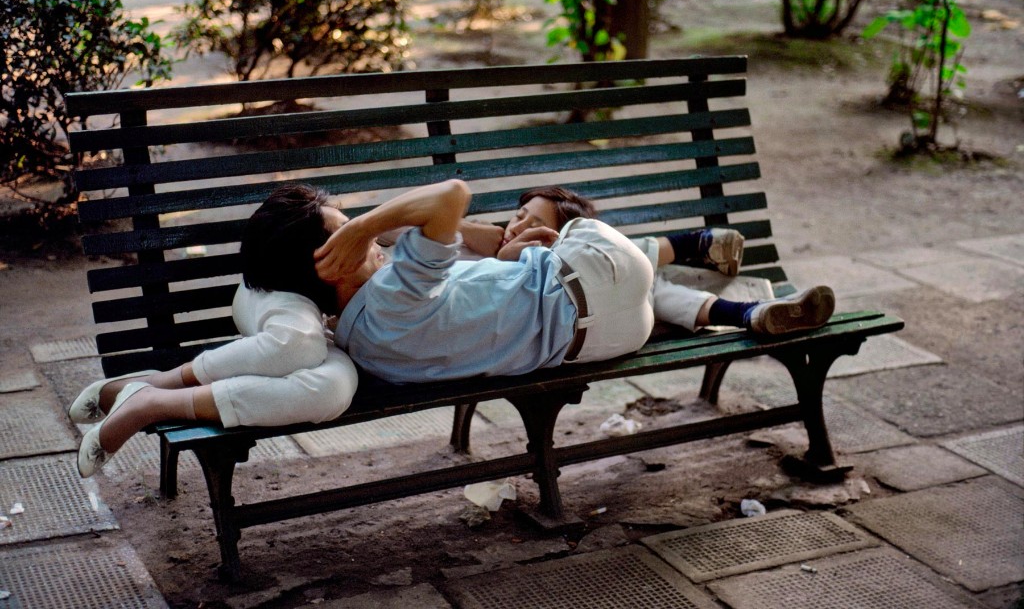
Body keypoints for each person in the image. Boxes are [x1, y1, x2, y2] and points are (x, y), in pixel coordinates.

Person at [312, 179, 835, 384]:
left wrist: (511, 256)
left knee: (641, 281)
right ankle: (697, 247)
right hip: (600, 290)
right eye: (353, 244)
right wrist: (364, 225)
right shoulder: (395, 293)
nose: (372, 246)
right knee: (617, 257)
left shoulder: (362, 341)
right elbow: (452, 195)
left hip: (602, 341)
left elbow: (479, 279)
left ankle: (745, 312)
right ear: (329, 265)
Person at [74, 185, 359, 478]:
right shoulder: (301, 286)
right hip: (272, 295)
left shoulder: (383, 249)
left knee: (333, 388)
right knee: (301, 344)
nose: (362, 235)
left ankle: (153, 400)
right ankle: (163, 382)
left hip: (308, 322)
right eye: (346, 230)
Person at [457, 185, 800, 334]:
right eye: (518, 216)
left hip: (605, 310)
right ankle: (693, 247)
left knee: (649, 286)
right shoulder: (479, 245)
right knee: (646, 284)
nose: (517, 227)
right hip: (569, 328)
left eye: (535, 225)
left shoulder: (552, 255)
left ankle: (749, 313)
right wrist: (483, 234)